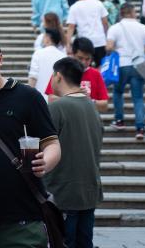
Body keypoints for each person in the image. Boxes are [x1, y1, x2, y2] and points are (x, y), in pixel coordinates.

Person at [0, 29, 61, 247]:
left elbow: (52, 142)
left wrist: (46, 161)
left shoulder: (26, 96)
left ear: (0, 59)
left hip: (22, 219)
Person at [45, 57, 103, 248]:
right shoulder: (91, 107)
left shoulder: (57, 107)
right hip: (89, 190)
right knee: (84, 241)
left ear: (58, 76)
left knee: (63, 242)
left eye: (52, 75)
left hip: (63, 192)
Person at [106, 2, 145, 139]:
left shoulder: (115, 28)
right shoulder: (143, 28)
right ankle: (140, 128)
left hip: (122, 64)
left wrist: (118, 51)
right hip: (138, 65)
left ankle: (119, 120)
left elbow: (109, 47)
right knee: (138, 97)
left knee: (118, 91)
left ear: (121, 13)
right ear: (133, 12)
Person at [46, 36, 109, 113]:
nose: (83, 62)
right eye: (80, 58)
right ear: (72, 54)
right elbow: (51, 99)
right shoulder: (61, 70)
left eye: (87, 59)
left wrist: (88, 100)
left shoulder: (96, 74)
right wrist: (73, 95)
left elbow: (104, 106)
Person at [66, 0, 108, 67]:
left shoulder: (74, 7)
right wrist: (106, 37)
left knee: (85, 68)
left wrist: (68, 44)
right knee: (101, 68)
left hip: (84, 44)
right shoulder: (98, 3)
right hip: (100, 41)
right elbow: (105, 23)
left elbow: (71, 27)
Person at [28, 27, 65, 96]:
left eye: (44, 36)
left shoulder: (38, 53)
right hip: (57, 98)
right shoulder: (63, 56)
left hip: (39, 98)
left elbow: (33, 77)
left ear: (48, 38)